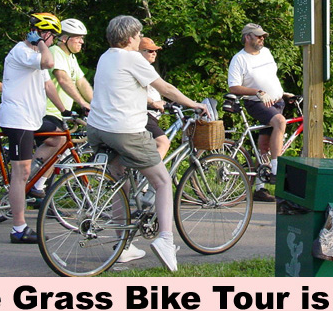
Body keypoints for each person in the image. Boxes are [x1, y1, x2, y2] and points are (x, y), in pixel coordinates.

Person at [86, 15, 208, 270]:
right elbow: (166, 88)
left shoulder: (105, 56)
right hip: (124, 131)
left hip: (97, 130)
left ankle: (122, 246)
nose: (141, 39)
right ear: (130, 37)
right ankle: (165, 240)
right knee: (162, 182)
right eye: (139, 35)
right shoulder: (131, 58)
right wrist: (194, 104)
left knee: (121, 184)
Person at [0, 12, 66, 244]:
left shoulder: (36, 53)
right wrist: (38, 41)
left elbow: (48, 85)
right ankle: (18, 228)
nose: (53, 43)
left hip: (33, 119)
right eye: (53, 38)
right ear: (44, 34)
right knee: (20, 173)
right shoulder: (23, 51)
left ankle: (37, 183)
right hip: (17, 120)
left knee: (59, 139)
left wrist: (65, 110)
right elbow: (49, 62)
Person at [227, 23, 286, 203]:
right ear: (247, 37)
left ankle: (260, 188)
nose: (262, 39)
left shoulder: (266, 53)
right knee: (280, 122)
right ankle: (276, 170)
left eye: (263, 36)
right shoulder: (239, 59)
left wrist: (284, 93)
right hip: (256, 103)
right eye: (258, 36)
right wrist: (257, 92)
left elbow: (271, 77)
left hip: (278, 101)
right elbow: (233, 86)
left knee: (264, 145)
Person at [139, 37, 170, 160]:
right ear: (139, 52)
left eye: (155, 51)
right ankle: (155, 175)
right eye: (149, 51)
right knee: (163, 143)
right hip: (145, 114)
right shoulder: (141, 68)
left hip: (151, 115)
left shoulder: (148, 68)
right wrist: (152, 103)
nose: (154, 53)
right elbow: (134, 93)